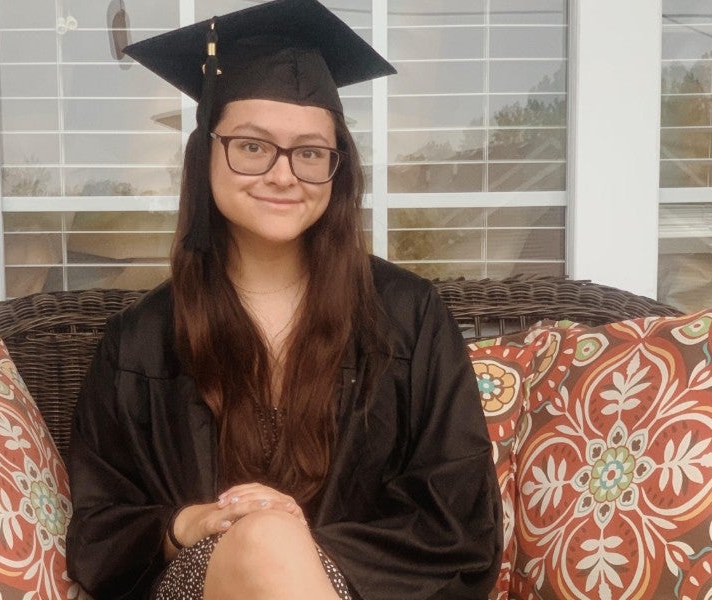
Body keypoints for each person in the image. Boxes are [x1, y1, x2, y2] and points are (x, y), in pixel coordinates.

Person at [65, 0, 502, 598]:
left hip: (368, 588)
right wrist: (185, 523)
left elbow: (458, 518)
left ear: (336, 168)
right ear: (205, 154)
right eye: (252, 145)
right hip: (199, 584)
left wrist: (302, 547)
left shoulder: (408, 316)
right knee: (266, 539)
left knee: (273, 540)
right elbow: (98, 529)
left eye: (310, 152)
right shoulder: (140, 342)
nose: (283, 174)